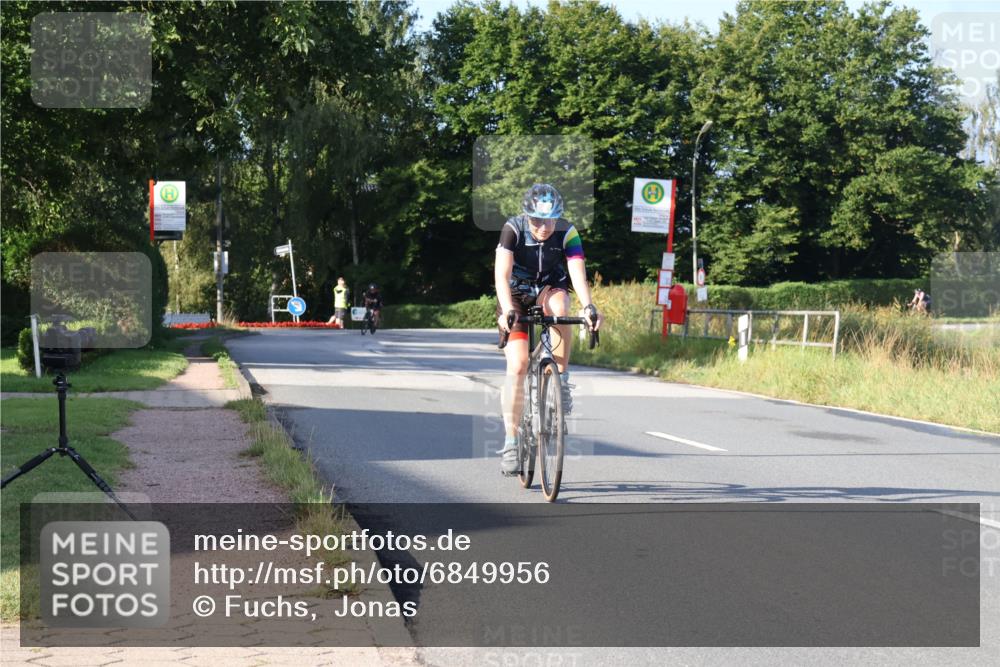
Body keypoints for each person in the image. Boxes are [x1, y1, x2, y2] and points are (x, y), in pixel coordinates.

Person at [494, 183, 602, 475]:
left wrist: (588, 307)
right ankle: (511, 442)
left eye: (551, 220)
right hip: (515, 295)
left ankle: (561, 381)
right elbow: (501, 275)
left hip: (548, 289)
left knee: (562, 306)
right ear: (526, 216)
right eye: (537, 220)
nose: (544, 227)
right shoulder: (513, 229)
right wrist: (507, 311)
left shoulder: (567, 232)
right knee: (518, 365)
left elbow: (577, 273)